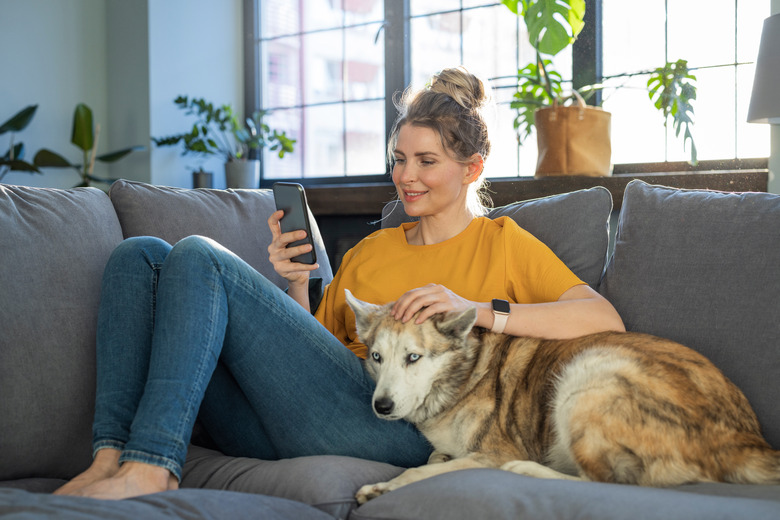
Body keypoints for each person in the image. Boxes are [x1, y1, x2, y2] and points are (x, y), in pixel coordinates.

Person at [56, 67, 625, 500]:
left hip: (400, 422)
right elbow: (314, 351)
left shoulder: (502, 242)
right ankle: (110, 458)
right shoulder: (374, 248)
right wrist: (297, 283)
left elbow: (603, 319)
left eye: (426, 162)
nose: (406, 176)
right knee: (140, 257)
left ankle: (153, 465)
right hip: (304, 414)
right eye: (399, 159)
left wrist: (478, 309)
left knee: (202, 257)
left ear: (472, 167)